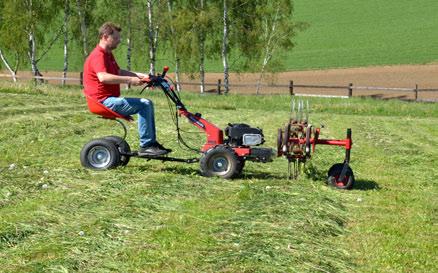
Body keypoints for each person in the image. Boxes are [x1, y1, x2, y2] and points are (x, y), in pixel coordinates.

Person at [83, 22, 170, 156]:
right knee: (144, 104)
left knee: (146, 104)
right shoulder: (98, 55)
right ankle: (147, 145)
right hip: (102, 101)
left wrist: (145, 76)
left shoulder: (107, 54)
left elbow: (119, 71)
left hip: (108, 99)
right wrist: (130, 80)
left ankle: (151, 144)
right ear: (105, 37)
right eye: (116, 38)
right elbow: (103, 77)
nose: (119, 41)